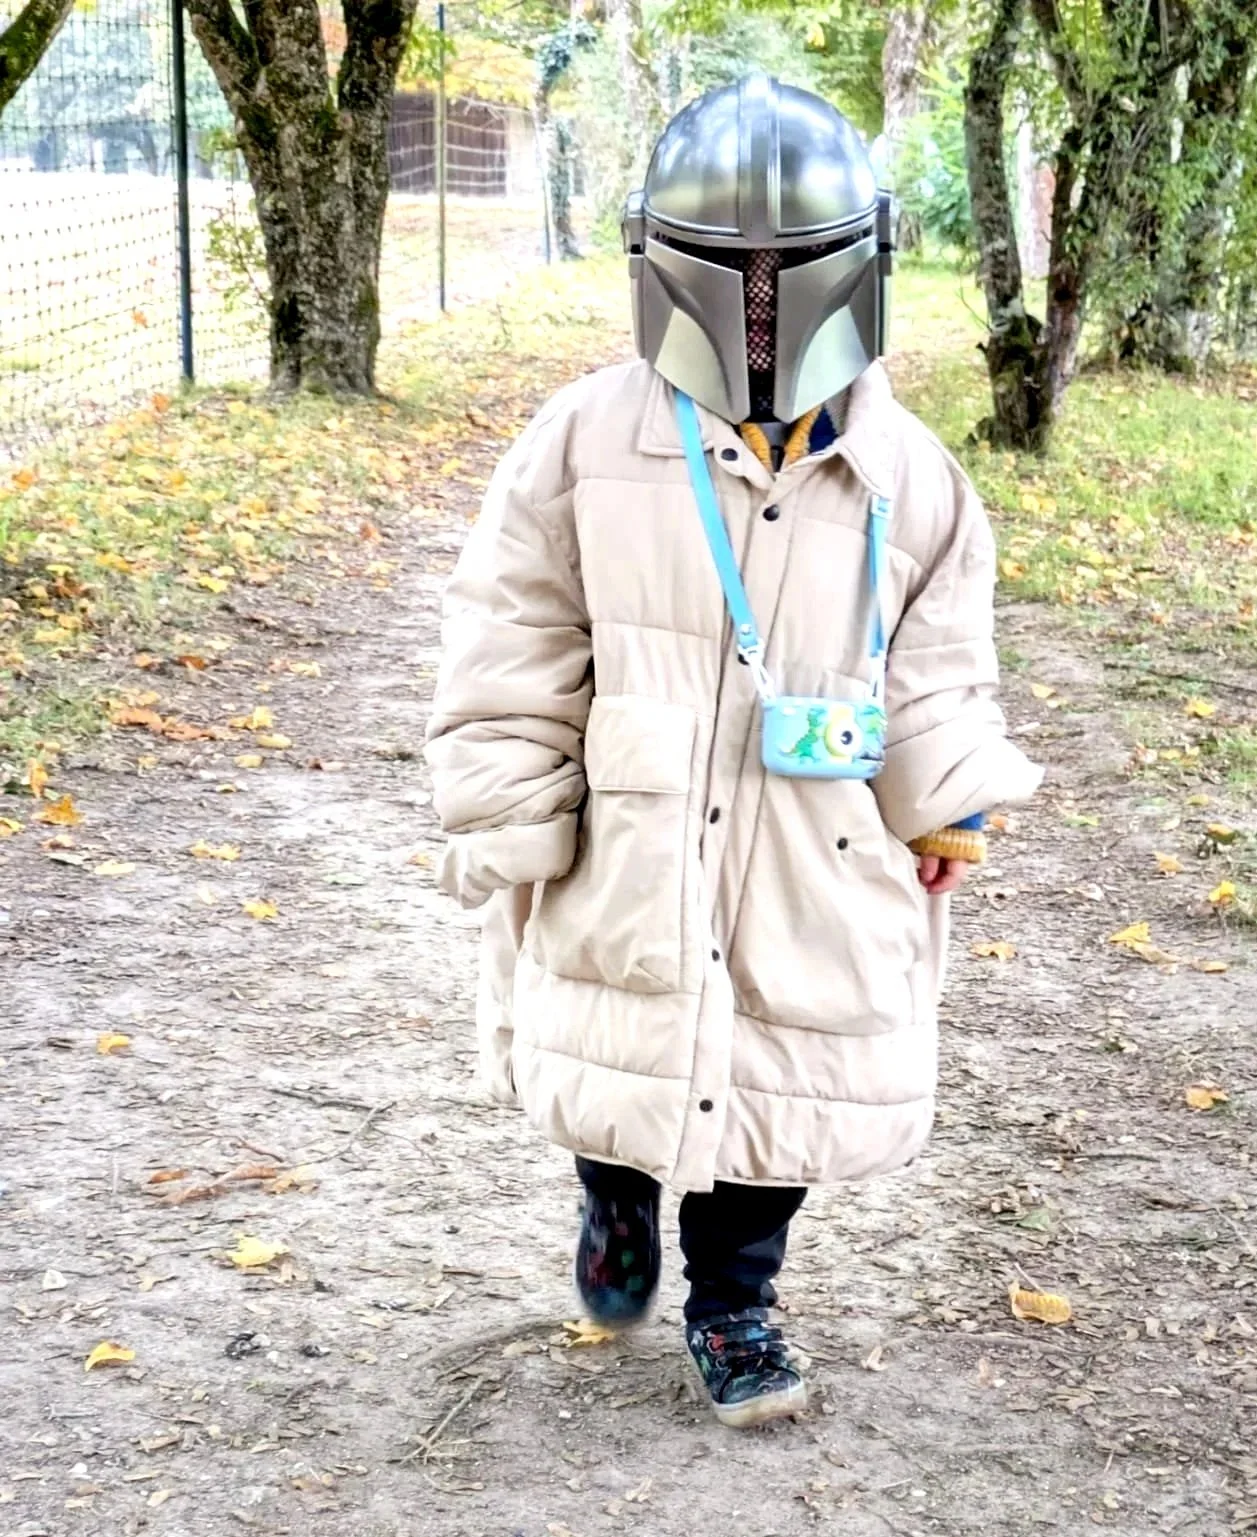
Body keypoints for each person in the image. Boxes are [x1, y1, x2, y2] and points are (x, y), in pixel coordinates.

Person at [425, 74, 1042, 1429]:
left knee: (783, 1076)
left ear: (861, 263)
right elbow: (513, 634)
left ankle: (737, 1300)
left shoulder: (913, 478)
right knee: (621, 1053)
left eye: (793, 268)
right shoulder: (581, 444)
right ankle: (617, 1213)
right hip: (631, 829)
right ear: (660, 260)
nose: (760, 299)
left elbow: (938, 658)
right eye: (727, 267)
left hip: (808, 840)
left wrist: (942, 802)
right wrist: (510, 804)